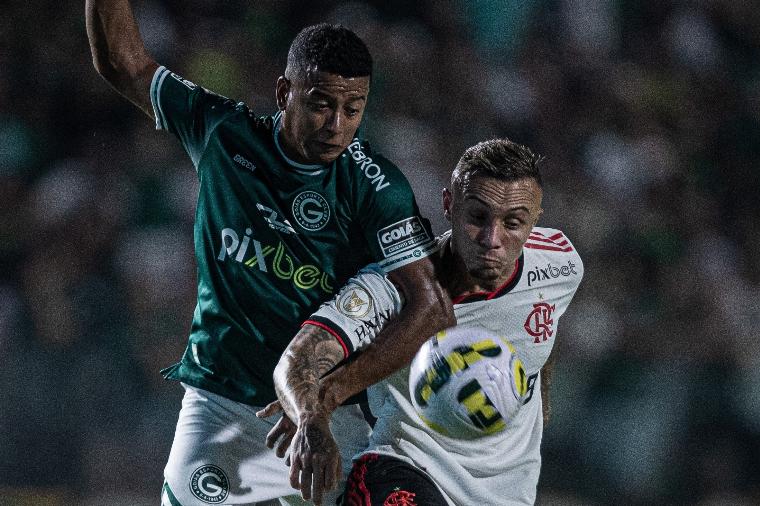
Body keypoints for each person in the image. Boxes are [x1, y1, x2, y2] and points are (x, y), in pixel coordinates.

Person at [85, 1, 455, 504]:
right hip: (223, 396)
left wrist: (326, 396)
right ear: (285, 92)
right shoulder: (223, 134)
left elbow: (430, 306)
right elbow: (122, 63)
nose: (337, 125)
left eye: (353, 108)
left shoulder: (376, 186)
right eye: (322, 103)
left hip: (331, 411)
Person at [262, 139, 583, 505]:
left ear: (535, 220)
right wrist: (310, 416)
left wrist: (540, 391)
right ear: (449, 205)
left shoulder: (560, 263)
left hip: (504, 493)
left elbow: (545, 319)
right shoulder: (394, 286)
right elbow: (298, 359)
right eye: (477, 217)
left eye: (513, 222)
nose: (493, 239)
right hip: (404, 470)